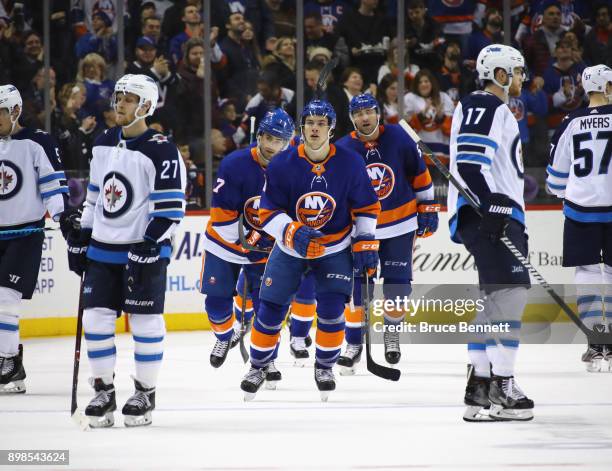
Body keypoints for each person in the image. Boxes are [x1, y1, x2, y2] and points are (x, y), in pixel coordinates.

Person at [66, 74, 186, 428]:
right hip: (104, 248)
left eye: (129, 98)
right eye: (118, 97)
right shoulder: (103, 141)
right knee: (95, 319)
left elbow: (170, 210)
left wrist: (150, 242)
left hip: (143, 248)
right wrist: (82, 233)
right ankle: (104, 390)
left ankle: (145, 392)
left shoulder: (161, 148)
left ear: (147, 106)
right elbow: (94, 196)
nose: (120, 103)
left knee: (146, 322)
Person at [240, 99, 381, 401]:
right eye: (310, 122)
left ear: (331, 129)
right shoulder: (282, 163)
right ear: (302, 127)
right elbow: (267, 212)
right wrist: (291, 231)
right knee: (270, 310)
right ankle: (258, 365)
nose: (315, 128)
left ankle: (325, 366)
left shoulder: (351, 162)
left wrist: (366, 241)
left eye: (321, 123)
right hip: (290, 249)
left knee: (331, 311)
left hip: (334, 247)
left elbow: (366, 205)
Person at [448, 44, 534, 421]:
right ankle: (503, 384)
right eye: (517, 71)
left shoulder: (494, 108)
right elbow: (469, 164)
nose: (522, 79)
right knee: (509, 296)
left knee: (494, 301)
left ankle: (479, 390)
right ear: (501, 74)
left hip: (491, 213)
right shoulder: (486, 104)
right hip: (491, 215)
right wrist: (493, 204)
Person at [335, 94, 439, 371]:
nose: (364, 118)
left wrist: (427, 205)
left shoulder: (399, 137)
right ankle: (354, 342)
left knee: (398, 284)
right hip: (361, 230)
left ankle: (391, 333)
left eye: (369, 111)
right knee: (356, 287)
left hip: (400, 223)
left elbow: (419, 173)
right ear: (352, 118)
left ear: (378, 113)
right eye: (358, 114)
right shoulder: (342, 149)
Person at [200, 109, 294, 372]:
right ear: (259, 136)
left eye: (280, 141)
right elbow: (221, 217)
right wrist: (249, 243)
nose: (273, 146)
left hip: (265, 249)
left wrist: (266, 241)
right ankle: (223, 336)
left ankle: (267, 358)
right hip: (225, 244)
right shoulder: (234, 164)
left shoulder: (291, 167)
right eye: (269, 139)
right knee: (215, 303)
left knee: (268, 307)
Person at [0, 85, 71, 394]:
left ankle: (7, 359)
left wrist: (63, 218)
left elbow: (53, 188)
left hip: (24, 234)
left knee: (5, 299)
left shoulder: (37, 142)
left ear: (15, 111)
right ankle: (14, 366)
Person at [547, 64, 612, 373]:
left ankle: (595, 341)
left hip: (580, 209)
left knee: (587, 271)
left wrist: (563, 190)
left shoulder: (570, 122)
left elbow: (555, 176)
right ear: (608, 87)